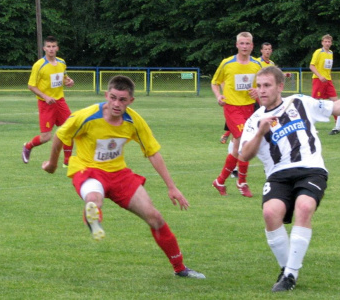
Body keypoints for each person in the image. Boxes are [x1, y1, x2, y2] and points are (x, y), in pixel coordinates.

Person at [238, 66, 340, 292]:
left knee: (305, 205)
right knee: (270, 213)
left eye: (267, 85)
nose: (262, 90)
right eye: (259, 86)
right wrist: (261, 131)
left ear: (280, 86)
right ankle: (286, 268)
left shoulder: (299, 102)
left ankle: (290, 274)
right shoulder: (255, 120)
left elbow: (336, 107)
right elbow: (244, 155)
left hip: (311, 168)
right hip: (278, 174)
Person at [41, 75, 205, 279]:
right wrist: (52, 164)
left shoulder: (134, 121)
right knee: (94, 198)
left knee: (155, 217)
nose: (117, 104)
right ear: (106, 96)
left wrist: (171, 186)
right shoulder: (87, 116)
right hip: (88, 170)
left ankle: (180, 269)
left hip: (119, 175)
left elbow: (152, 152)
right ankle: (94, 219)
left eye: (122, 100)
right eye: (113, 98)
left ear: (131, 101)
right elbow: (60, 136)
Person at [210, 32, 263, 197]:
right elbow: (214, 82)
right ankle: (242, 182)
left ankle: (219, 181)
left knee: (236, 148)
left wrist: (258, 92)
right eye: (242, 43)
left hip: (250, 109)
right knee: (245, 142)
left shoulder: (257, 65)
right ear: (237, 45)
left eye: (248, 43)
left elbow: (263, 86)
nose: (245, 46)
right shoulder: (227, 63)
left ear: (252, 46)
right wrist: (219, 96)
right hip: (232, 108)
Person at [22, 36, 74, 166]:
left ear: (57, 48)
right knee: (46, 137)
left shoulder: (61, 62)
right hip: (46, 104)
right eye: (48, 47)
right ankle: (28, 147)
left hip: (60, 101)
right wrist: (45, 96)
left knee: (70, 129)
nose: (51, 49)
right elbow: (31, 86)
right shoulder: (39, 65)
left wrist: (69, 81)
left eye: (53, 46)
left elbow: (63, 77)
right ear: (44, 48)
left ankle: (67, 162)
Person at [309, 34, 340, 132]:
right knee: (315, 103)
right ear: (322, 42)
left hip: (328, 81)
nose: (327, 43)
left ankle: (338, 124)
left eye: (329, 42)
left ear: (331, 43)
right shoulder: (318, 52)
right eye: (325, 41)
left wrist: (328, 77)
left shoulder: (330, 53)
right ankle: (310, 125)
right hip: (318, 80)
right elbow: (311, 66)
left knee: (335, 102)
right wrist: (320, 76)